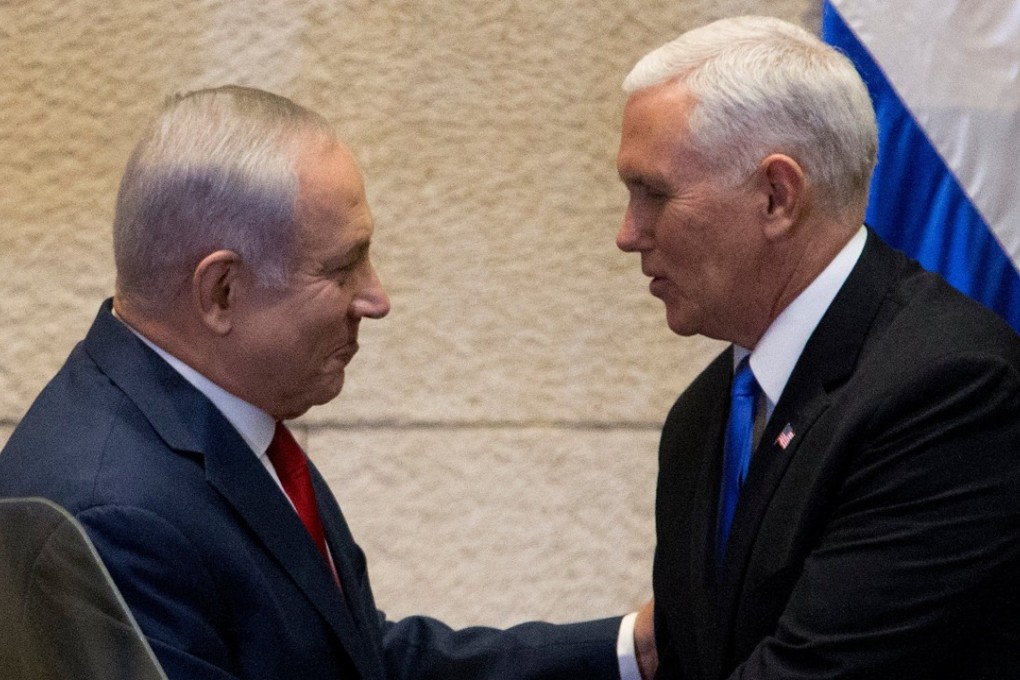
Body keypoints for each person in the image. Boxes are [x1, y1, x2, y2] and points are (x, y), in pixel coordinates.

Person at [0, 86, 652, 680]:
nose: (376, 298)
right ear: (221, 290)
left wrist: (629, 649)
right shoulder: (113, 515)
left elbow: (357, 660)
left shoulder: (215, 424)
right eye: (342, 268)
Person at [614, 15, 1020, 680]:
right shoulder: (703, 414)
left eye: (652, 194)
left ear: (777, 197)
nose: (628, 234)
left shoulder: (951, 389)